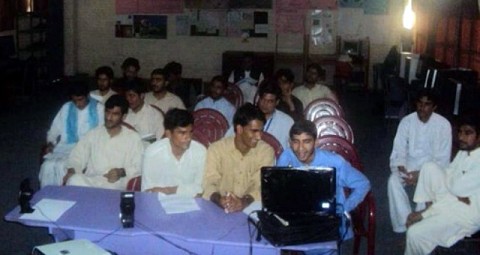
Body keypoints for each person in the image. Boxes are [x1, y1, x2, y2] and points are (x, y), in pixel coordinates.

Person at [276, 120, 370, 244]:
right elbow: (279, 188)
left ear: (316, 142)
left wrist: (344, 208)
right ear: (290, 142)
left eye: (307, 142)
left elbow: (363, 184)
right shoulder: (286, 156)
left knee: (318, 247)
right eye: (295, 142)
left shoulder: (335, 163)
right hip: (297, 217)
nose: (300, 148)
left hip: (327, 219)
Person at [404, 113, 480, 255]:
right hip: (456, 202)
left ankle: (428, 219)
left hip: (467, 215)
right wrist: (455, 187)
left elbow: (456, 188)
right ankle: (430, 218)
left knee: (414, 234)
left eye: (468, 133)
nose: (461, 137)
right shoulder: (465, 151)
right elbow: (450, 176)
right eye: (460, 132)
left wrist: (424, 214)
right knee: (429, 167)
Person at [388, 89, 452, 233]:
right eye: (419, 103)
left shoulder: (443, 125)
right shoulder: (407, 121)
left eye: (427, 104)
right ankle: (405, 222)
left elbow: (443, 159)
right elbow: (399, 149)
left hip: (432, 167)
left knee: (427, 181)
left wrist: (421, 174)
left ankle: (420, 224)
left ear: (434, 107)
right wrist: (401, 166)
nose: (422, 108)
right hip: (409, 165)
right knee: (393, 181)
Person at [202, 103, 275, 213]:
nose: (259, 137)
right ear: (239, 129)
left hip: (250, 207)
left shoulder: (266, 151)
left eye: (261, 131)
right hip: (218, 207)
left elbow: (260, 186)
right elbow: (209, 182)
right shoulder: (216, 149)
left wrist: (243, 202)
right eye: (254, 131)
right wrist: (220, 200)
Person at [63, 95, 144, 190]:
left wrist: (121, 172)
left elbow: (139, 165)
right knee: (74, 179)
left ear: (124, 116)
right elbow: (77, 157)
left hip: (115, 184)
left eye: (115, 114)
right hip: (91, 181)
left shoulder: (133, 138)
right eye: (107, 112)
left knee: (112, 188)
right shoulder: (93, 134)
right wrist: (72, 170)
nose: (109, 117)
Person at [39, 83, 104, 188]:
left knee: (64, 166)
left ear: (87, 96)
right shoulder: (66, 107)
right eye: (74, 101)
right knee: (48, 166)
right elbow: (55, 128)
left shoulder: (98, 108)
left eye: (80, 100)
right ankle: (49, 195)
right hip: (67, 145)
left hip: (88, 148)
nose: (77, 104)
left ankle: (66, 194)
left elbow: (102, 133)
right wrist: (51, 143)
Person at [141, 109, 206, 197]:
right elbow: (148, 191)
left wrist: (169, 190)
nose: (188, 138)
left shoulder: (200, 151)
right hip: (159, 204)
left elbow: (200, 190)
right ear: (168, 134)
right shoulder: (152, 153)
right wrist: (186, 191)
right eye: (182, 133)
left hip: (191, 204)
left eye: (190, 132)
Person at [256, 79, 294, 150]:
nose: (265, 104)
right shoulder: (247, 117)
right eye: (263, 99)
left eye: (270, 101)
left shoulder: (287, 122)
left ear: (277, 102)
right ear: (258, 99)